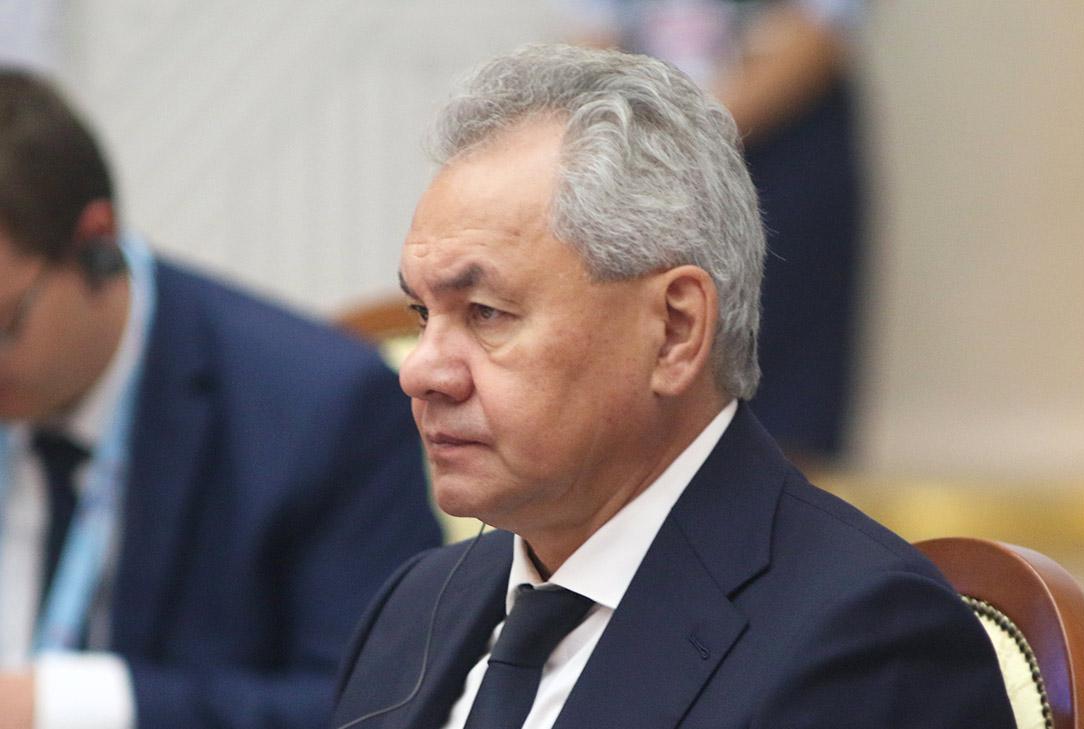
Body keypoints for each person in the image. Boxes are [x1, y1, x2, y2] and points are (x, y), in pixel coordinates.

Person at [332, 44, 1014, 729]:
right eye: (423, 313)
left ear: (674, 330)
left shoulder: (865, 636)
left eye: (486, 313)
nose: (420, 370)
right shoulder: (415, 605)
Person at [0, 69, 442, 729]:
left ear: (94, 244)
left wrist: (72, 708)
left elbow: (377, 707)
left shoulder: (323, 409)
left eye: (3, 325)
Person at [556, 0, 866, 462]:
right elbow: (592, 29)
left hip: (782, 139)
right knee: (641, 369)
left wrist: (695, 130)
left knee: (788, 405)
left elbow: (824, 22)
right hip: (644, 144)